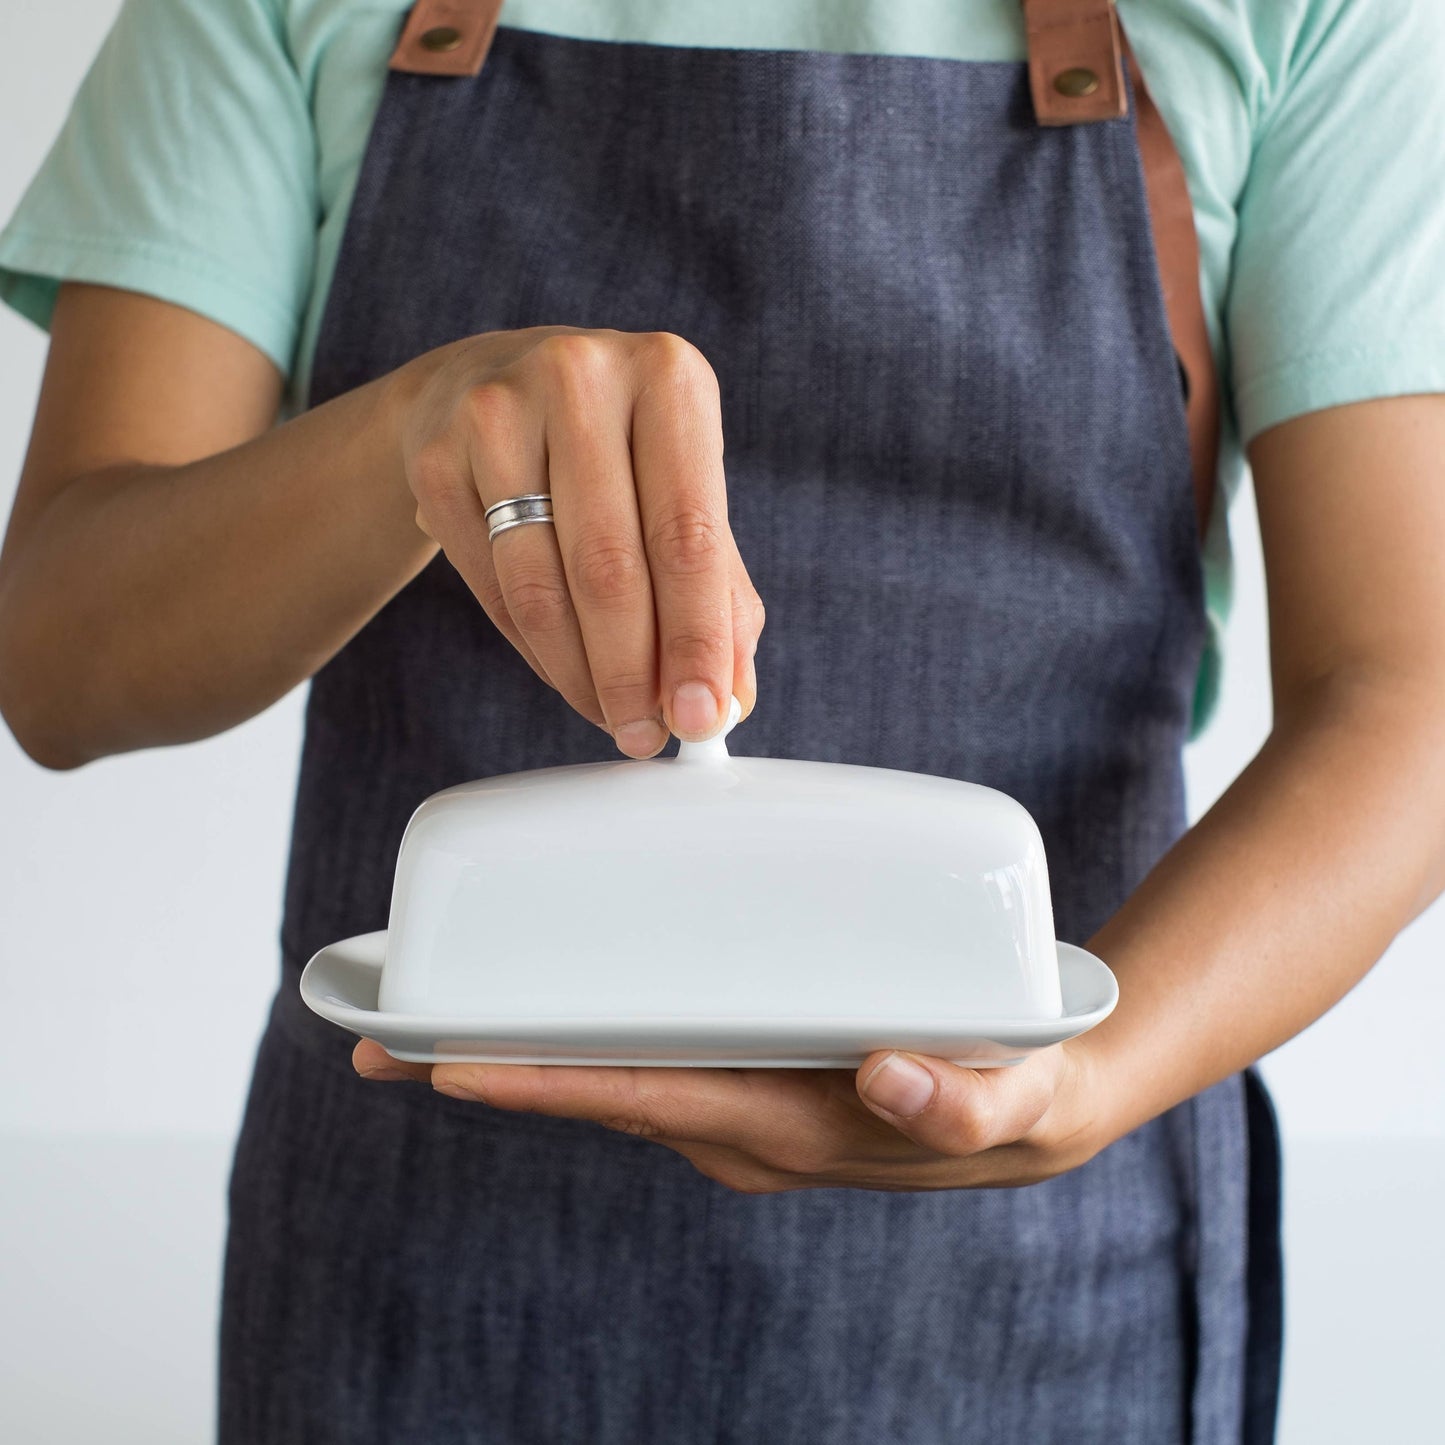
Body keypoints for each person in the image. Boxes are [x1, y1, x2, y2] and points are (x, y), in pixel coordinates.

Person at [1, 0, 1443, 1440]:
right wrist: (409, 436)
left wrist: (1083, 1082)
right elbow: (57, 658)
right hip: (415, 1251)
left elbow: (1407, 688)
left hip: (1046, 1267)